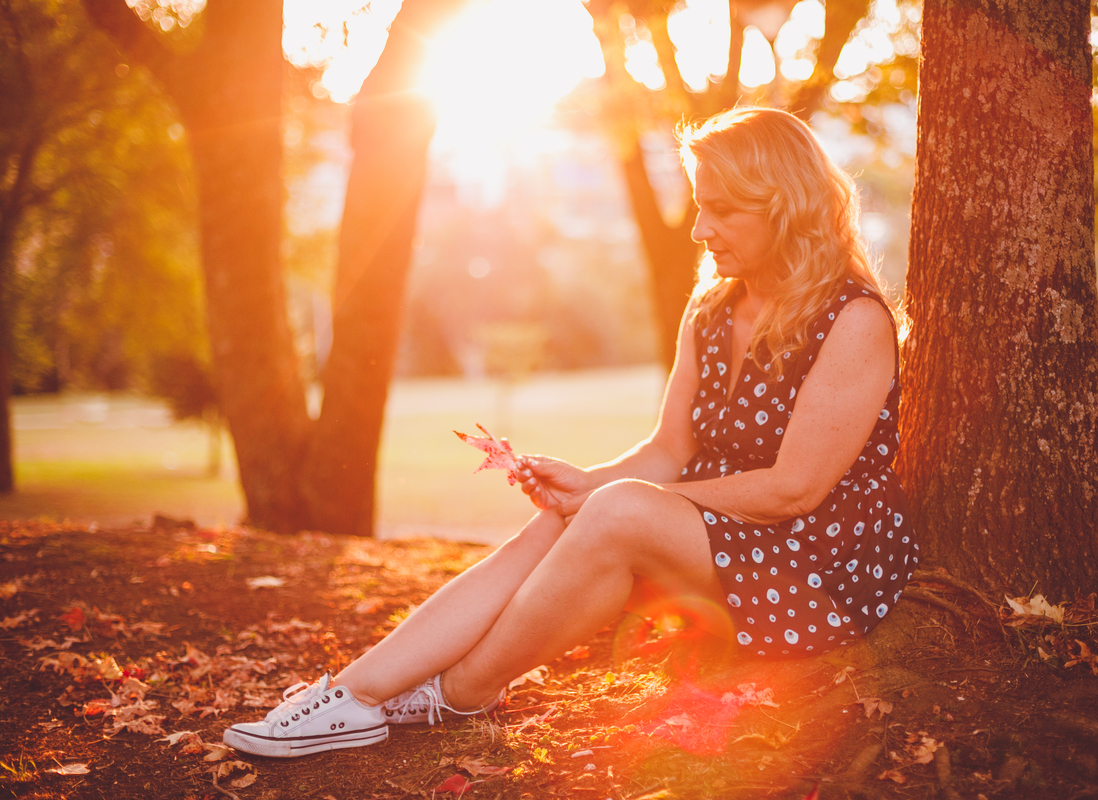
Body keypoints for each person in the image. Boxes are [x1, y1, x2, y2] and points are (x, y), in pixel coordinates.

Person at [223, 106, 917, 758]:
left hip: (818, 566)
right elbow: (669, 450)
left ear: (786, 207)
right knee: (565, 516)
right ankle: (352, 693)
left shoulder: (853, 320)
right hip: (720, 539)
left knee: (613, 510)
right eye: (700, 205)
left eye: (722, 210)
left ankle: (454, 694)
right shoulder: (712, 308)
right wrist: (587, 484)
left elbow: (794, 491)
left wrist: (620, 500)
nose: (700, 229)